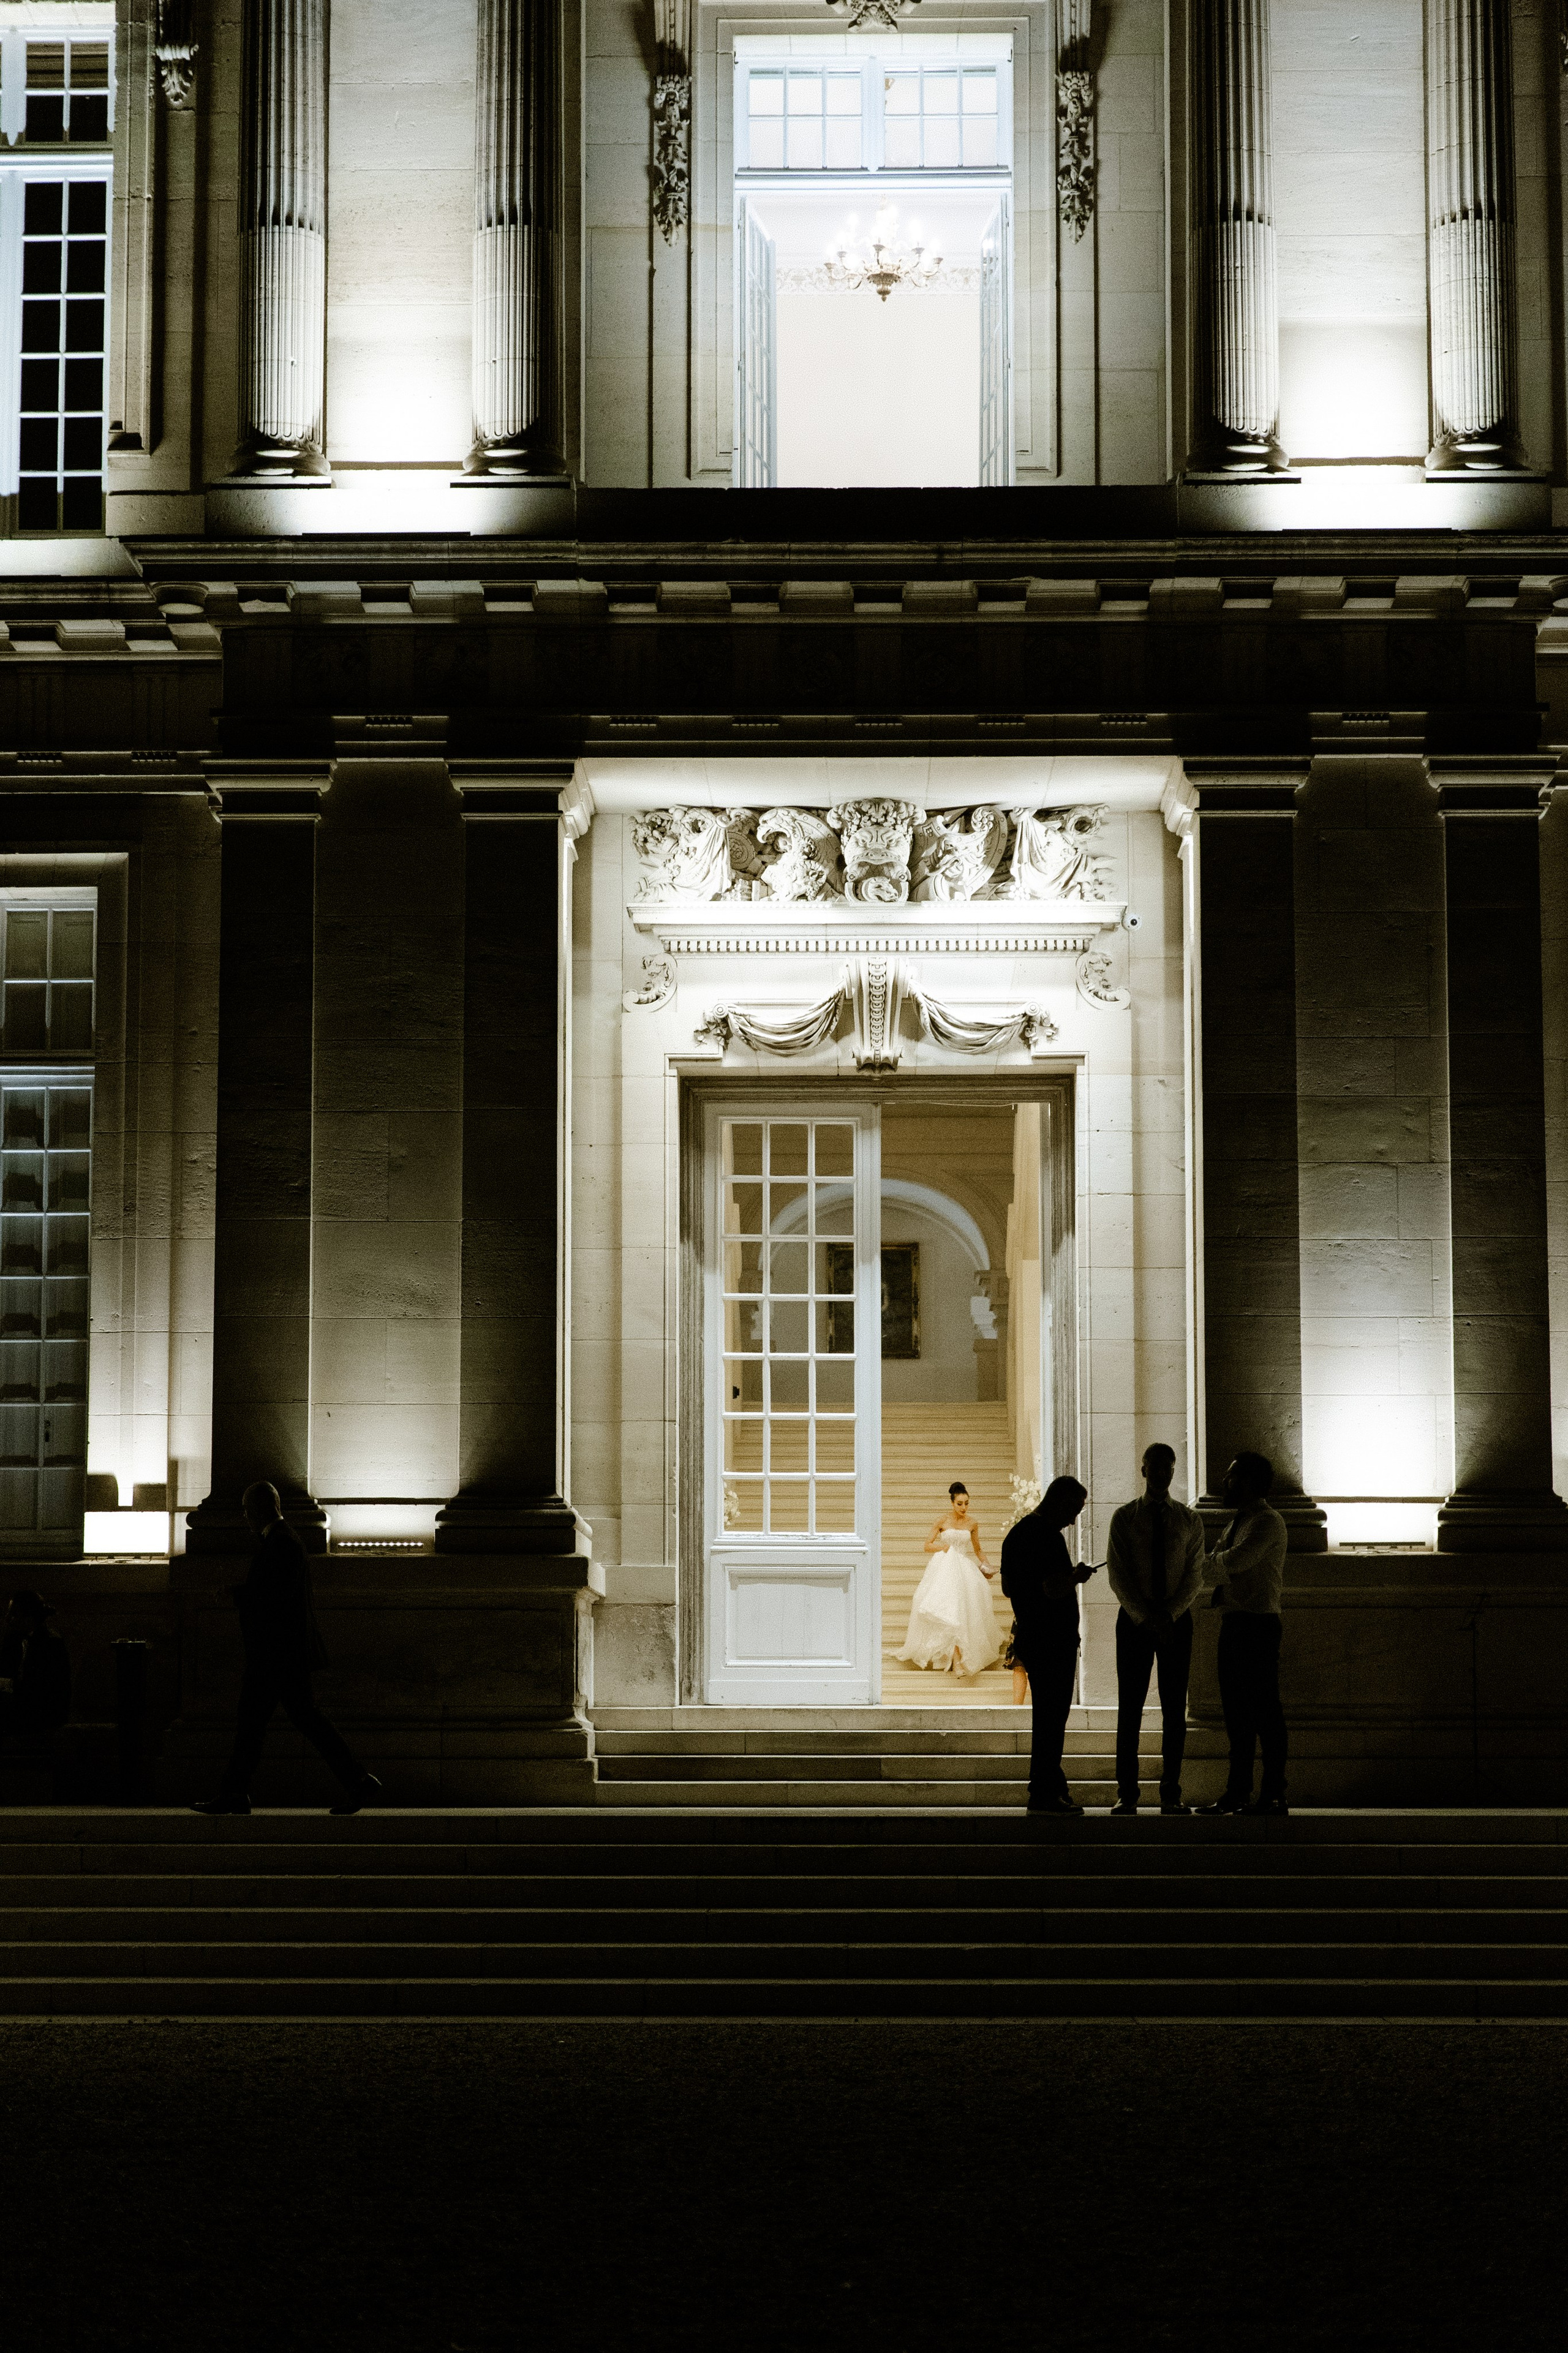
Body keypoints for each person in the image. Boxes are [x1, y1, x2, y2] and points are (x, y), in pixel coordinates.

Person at [192, 1481, 382, 1818]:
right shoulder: (286, 1541)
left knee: (257, 1723)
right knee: (297, 1721)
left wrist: (236, 1596)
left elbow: (271, 1597)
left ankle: (236, 1793)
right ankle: (358, 1781)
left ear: (261, 1508)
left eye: (248, 1510)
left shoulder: (280, 1543)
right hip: (282, 1655)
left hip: (274, 1656)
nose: (246, 1517)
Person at [1106, 1443, 1207, 1814]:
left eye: (1169, 1468)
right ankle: (1127, 1793)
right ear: (1144, 1470)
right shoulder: (1124, 1518)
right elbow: (1118, 1575)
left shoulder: (1189, 1520)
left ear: (1173, 1472)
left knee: (1174, 1708)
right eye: (1155, 1467)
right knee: (1129, 1708)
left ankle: (1171, 1792)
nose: (1162, 1474)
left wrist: (1170, 1615)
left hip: (1176, 1623)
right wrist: (1147, 1618)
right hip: (1135, 1622)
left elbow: (1195, 1576)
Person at [1197, 1452, 1290, 1816]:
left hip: (1257, 1625)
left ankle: (1273, 1793)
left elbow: (1231, 1563)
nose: (1226, 1483)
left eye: (1233, 1477)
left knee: (1265, 1711)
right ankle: (1238, 1793)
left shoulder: (1267, 1522)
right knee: (1237, 1715)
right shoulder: (1241, 1522)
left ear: (1251, 1482)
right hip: (1236, 1623)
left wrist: (1194, 1563)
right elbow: (1218, 1562)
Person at [1000, 1476, 1097, 1815]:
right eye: (1074, 1510)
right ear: (1060, 1502)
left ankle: (1050, 1785)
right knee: (1052, 1718)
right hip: (1053, 1640)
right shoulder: (1048, 1538)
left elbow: (1009, 1588)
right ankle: (1044, 1792)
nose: (1073, 1519)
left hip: (1031, 1635)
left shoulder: (1017, 1534)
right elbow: (1052, 1588)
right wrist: (1074, 1576)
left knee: (1046, 1716)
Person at [895, 1481, 1001, 1678]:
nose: (964, 1508)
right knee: (947, 1609)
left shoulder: (972, 1523)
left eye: (967, 1503)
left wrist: (987, 1565)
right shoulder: (942, 1521)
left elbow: (978, 1549)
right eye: (960, 1504)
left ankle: (959, 1658)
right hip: (944, 1566)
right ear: (952, 1503)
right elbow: (927, 1545)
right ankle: (956, 1659)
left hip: (963, 1567)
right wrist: (943, 1548)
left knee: (963, 1610)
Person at [0, 1590, 70, 1741]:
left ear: (29, 1618)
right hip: (21, 1703)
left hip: (42, 1712)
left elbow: (39, 1689)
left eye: (13, 1615)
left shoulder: (51, 1644)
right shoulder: (13, 1638)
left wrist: (7, 1685)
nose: (8, 1619)